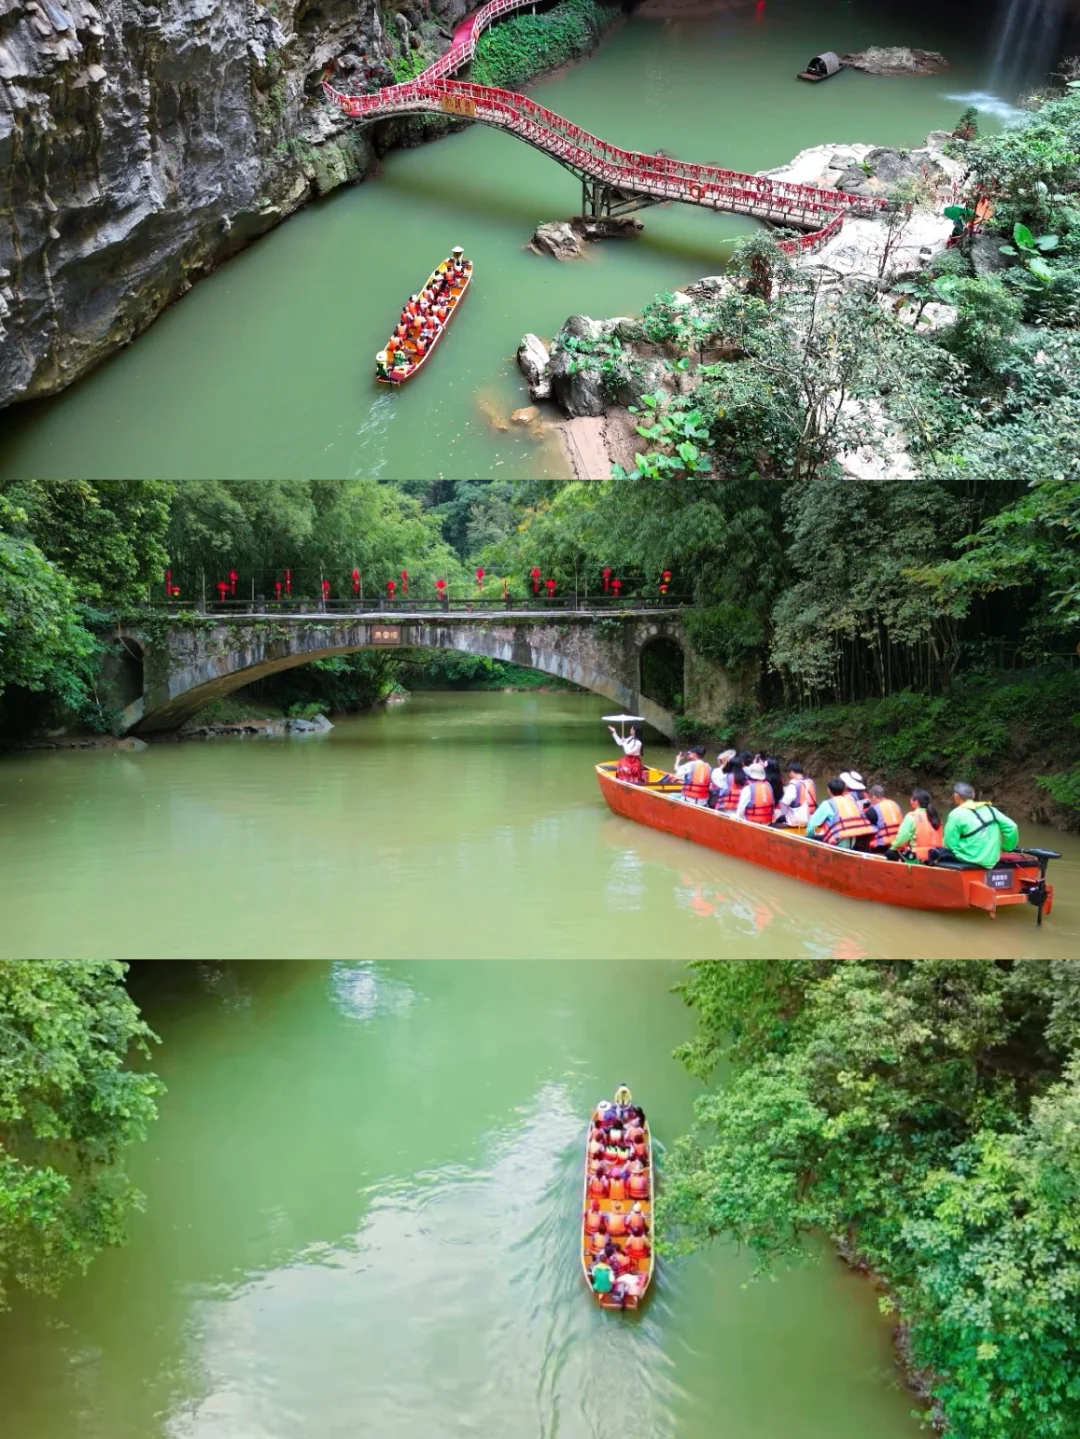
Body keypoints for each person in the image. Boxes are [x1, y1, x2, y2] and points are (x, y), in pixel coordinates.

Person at [937, 782, 1020, 868]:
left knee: (937, 852)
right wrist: (1007, 848)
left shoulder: (955, 814)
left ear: (956, 796)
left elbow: (950, 844)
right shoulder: (990, 809)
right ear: (973, 795)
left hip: (968, 859)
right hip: (992, 860)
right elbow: (1012, 827)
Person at [806, 778, 877, 848]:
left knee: (809, 836)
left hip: (836, 842)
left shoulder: (827, 804)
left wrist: (812, 834)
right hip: (852, 842)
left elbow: (811, 827)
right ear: (844, 791)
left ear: (828, 790)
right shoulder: (852, 803)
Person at [887, 789, 945, 862]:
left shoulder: (912, 817)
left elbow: (902, 839)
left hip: (919, 857)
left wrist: (893, 847)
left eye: (911, 799)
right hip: (937, 855)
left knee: (889, 853)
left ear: (916, 802)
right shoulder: (936, 817)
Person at [774, 762, 816, 827]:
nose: (789, 774)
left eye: (789, 772)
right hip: (811, 816)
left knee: (777, 821)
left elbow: (785, 802)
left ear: (792, 772)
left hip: (798, 818)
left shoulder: (793, 785)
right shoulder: (810, 782)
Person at [864, 784, 904, 850]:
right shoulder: (895, 804)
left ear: (873, 797)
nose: (870, 801)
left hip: (882, 845)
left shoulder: (873, 810)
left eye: (870, 798)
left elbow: (865, 827)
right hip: (898, 842)